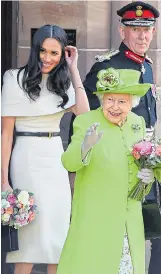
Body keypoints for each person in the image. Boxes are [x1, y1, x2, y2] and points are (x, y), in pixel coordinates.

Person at [1, 24, 89, 274]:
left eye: (54, 53)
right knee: (27, 239)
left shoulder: (63, 82)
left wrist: (73, 70)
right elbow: (6, 133)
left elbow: (83, 114)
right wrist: (3, 180)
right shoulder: (13, 78)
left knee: (57, 237)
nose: (47, 58)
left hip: (54, 158)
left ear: (63, 55)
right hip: (26, 157)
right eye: (43, 51)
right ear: (35, 49)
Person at [56, 68, 161, 274]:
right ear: (102, 99)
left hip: (129, 220)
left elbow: (141, 162)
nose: (115, 106)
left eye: (122, 101)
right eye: (109, 99)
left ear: (132, 102)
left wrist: (147, 179)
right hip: (96, 218)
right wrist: (85, 146)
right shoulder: (86, 121)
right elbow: (68, 163)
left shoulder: (137, 123)